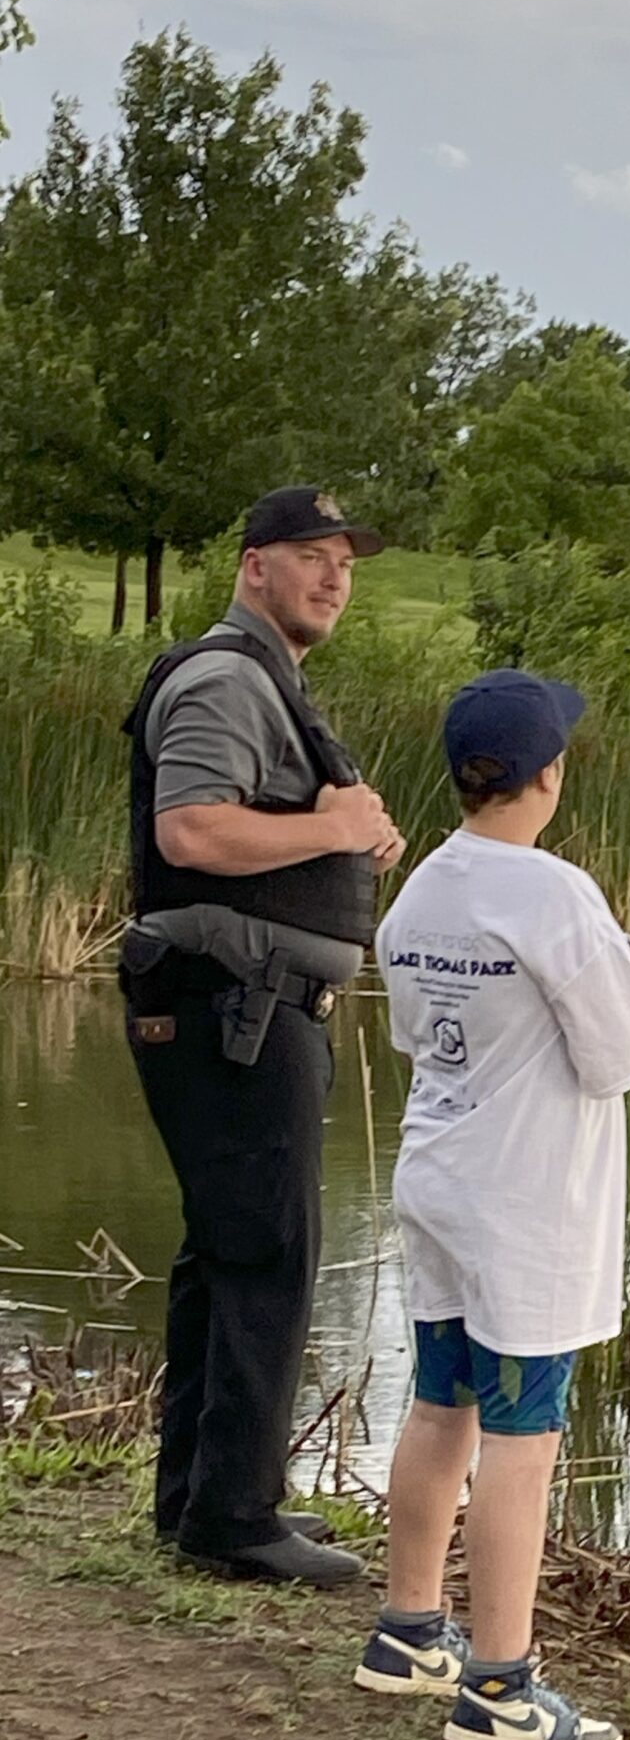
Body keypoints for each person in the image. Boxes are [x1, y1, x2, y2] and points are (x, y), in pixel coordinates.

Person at [353, 668, 630, 1740]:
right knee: (523, 1439)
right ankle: (499, 1686)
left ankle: (408, 1630)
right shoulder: (555, 894)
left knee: (442, 1400)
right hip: (527, 1207)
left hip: (437, 1179)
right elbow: (620, 1056)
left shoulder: (423, 888)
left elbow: (417, 1034)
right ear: (548, 775)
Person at [121, 486, 405, 1588]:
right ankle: (234, 1518)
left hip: (245, 1003)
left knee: (229, 1245)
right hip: (232, 1004)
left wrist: (343, 838)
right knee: (266, 1251)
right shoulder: (226, 680)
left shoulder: (265, 683)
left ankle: (199, 1497)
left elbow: (254, 824)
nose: (335, 577)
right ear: (254, 567)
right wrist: (330, 825)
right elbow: (190, 830)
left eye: (347, 562)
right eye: (311, 556)